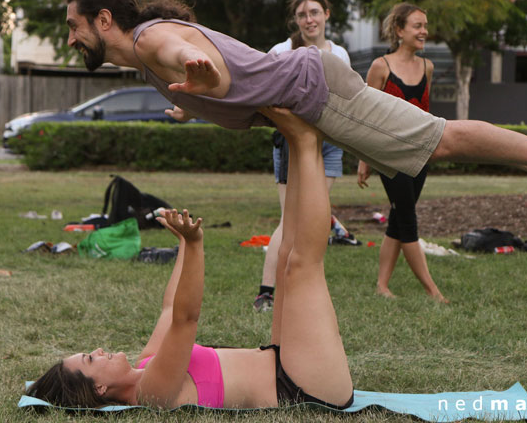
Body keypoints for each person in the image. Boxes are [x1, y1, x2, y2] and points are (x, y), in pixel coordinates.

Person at [64, 0, 527, 215]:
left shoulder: (152, 39)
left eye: (74, 25)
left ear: (103, 19)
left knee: (440, 142)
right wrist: (193, 100)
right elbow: (200, 69)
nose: (70, 38)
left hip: (317, 93)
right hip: (311, 95)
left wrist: (201, 76)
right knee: (436, 146)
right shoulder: (144, 50)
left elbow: (195, 61)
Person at [26, 109, 355, 410]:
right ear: (98, 388)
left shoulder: (147, 365)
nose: (98, 350)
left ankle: (299, 139)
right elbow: (186, 318)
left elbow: (171, 308)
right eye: (90, 358)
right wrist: (197, 244)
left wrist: (183, 243)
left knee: (285, 256)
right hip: (305, 388)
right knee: (301, 266)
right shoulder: (152, 393)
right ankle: (308, 138)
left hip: (286, 361)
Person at [254, 0, 354, 313]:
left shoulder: (339, 54)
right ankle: (266, 293)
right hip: (292, 144)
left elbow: (347, 98)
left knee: (317, 220)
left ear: (327, 13)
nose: (309, 19)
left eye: (314, 12)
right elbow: (262, 92)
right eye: (302, 15)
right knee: (291, 219)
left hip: (330, 144)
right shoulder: (282, 50)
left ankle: (304, 290)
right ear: (295, 20)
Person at [357, 3, 447, 303]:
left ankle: (382, 286)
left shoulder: (427, 67)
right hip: (390, 156)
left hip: (421, 155)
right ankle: (432, 290)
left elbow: (425, 113)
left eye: (425, 25)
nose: (424, 31)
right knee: (407, 217)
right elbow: (366, 117)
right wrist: (364, 159)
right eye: (417, 26)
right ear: (399, 30)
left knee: (397, 217)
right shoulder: (381, 67)